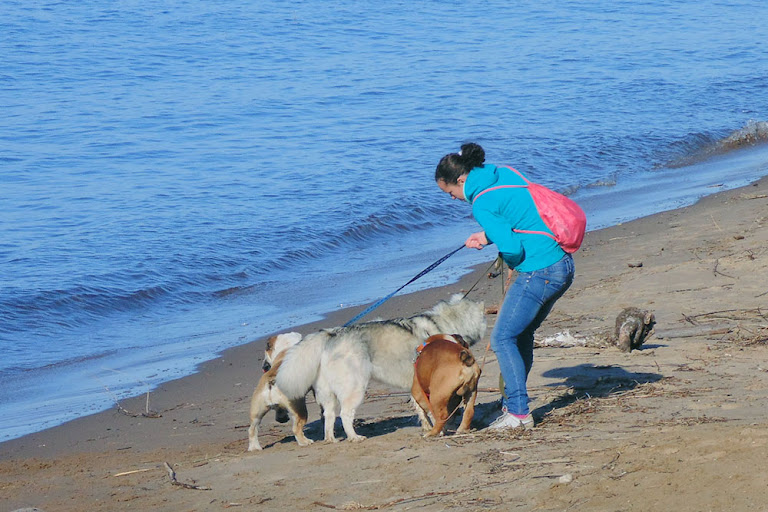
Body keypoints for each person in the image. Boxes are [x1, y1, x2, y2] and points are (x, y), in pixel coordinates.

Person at [435, 142, 575, 430]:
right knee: (520, 335)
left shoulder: (481, 202)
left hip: (540, 271)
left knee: (501, 339)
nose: (452, 199)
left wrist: (504, 252)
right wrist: (487, 237)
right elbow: (518, 215)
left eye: (450, 193)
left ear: (460, 180)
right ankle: (513, 405)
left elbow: (511, 247)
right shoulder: (503, 173)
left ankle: (519, 415)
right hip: (562, 264)